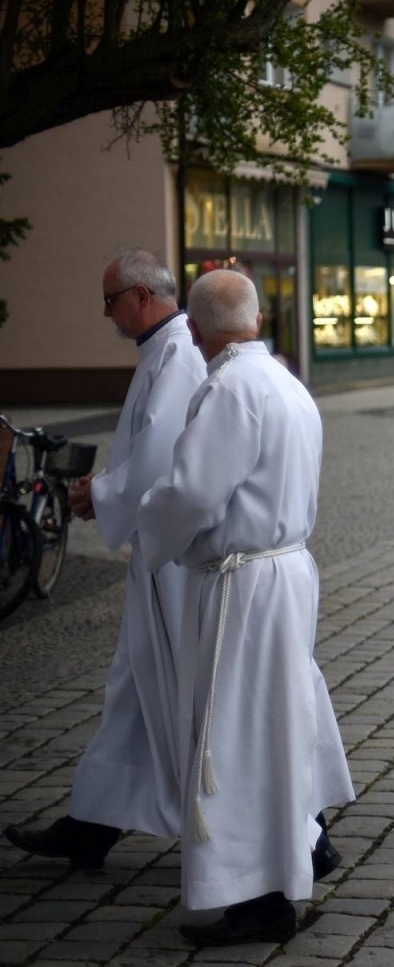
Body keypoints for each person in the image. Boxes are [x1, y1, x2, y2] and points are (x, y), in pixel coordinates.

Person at [134, 269, 353, 945]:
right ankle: (288, 857)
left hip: (243, 585)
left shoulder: (229, 388)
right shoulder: (286, 382)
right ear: (257, 319)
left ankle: (256, 891)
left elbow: (194, 494)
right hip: (282, 573)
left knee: (234, 733)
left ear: (196, 331)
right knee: (273, 725)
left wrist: (148, 528)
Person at [4, 250, 207, 870]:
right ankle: (93, 822)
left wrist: (104, 491)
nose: (107, 313)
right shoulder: (162, 352)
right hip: (157, 552)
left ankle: (306, 832)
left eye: (110, 299)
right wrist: (111, 488)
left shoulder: (177, 357)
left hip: (174, 559)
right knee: (135, 687)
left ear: (142, 296)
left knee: (190, 694)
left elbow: (162, 458)